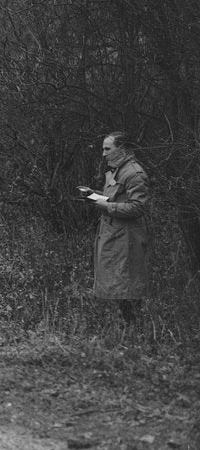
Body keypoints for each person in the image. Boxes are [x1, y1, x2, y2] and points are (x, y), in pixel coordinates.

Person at [86, 131, 150, 325]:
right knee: (119, 284)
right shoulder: (118, 170)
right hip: (116, 236)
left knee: (127, 285)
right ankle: (128, 327)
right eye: (103, 149)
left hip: (127, 239)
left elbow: (138, 207)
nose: (104, 154)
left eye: (108, 149)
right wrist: (93, 195)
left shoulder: (134, 173)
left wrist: (107, 207)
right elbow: (116, 198)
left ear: (122, 149)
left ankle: (135, 328)